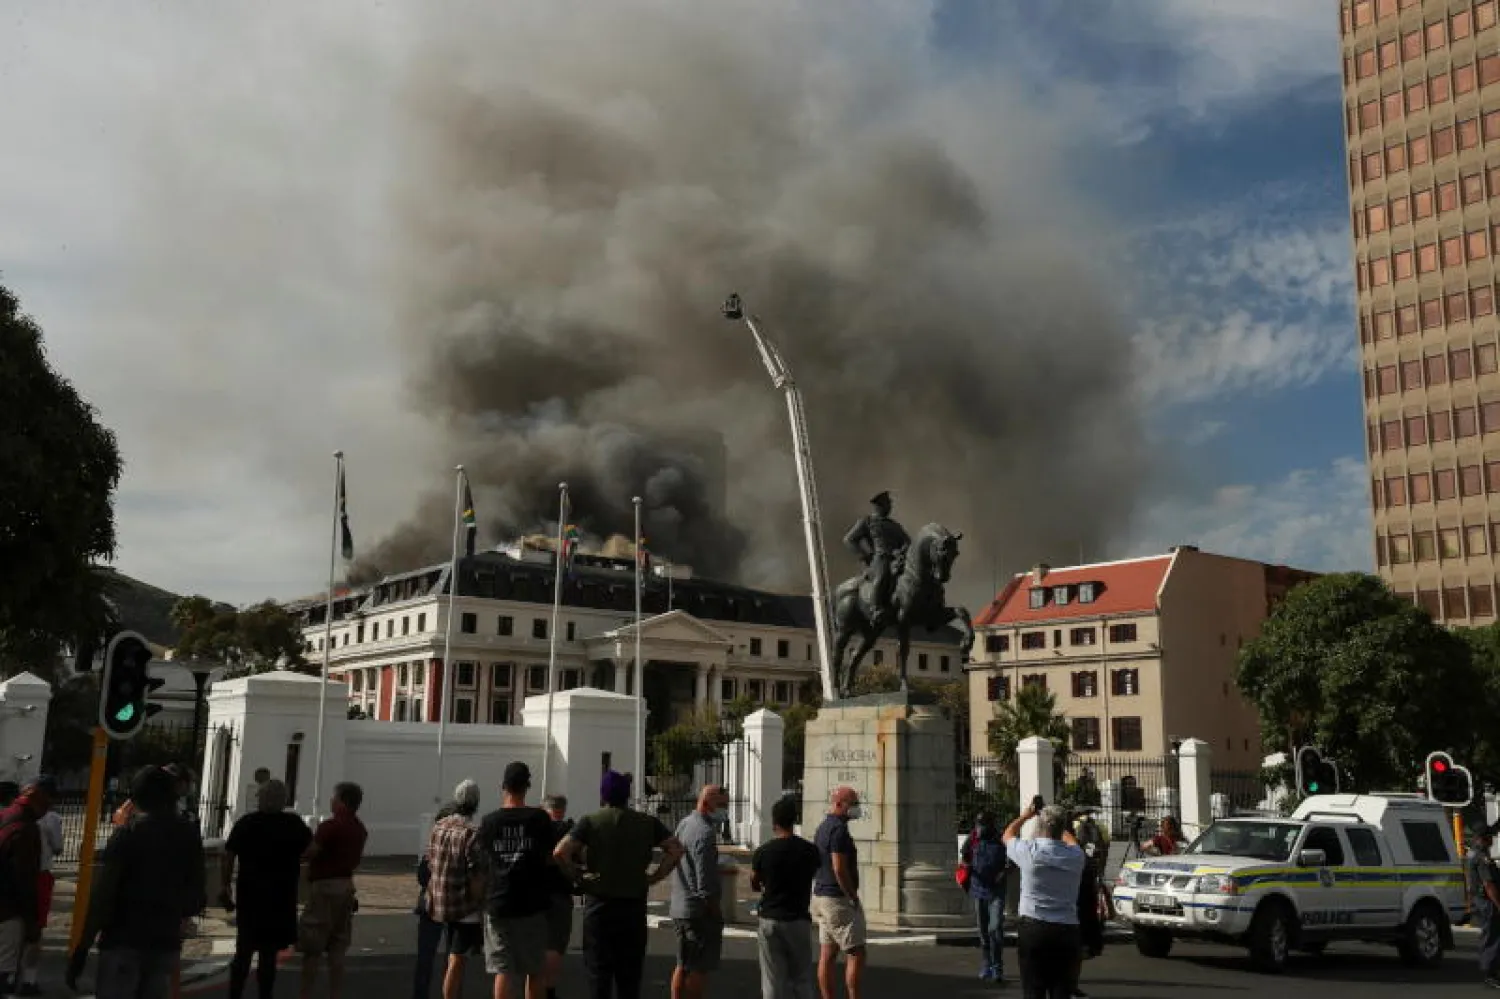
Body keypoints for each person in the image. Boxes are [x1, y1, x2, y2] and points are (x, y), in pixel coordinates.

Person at [67, 766, 204, 999]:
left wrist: (82, 947)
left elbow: (103, 895)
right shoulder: (189, 834)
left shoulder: (128, 834)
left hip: (123, 941)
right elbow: (197, 895)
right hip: (164, 942)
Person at [554, 770, 684, 999]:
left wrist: (578, 877)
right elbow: (675, 849)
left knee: (599, 975)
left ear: (603, 795)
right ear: (627, 795)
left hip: (599, 905)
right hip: (632, 906)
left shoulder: (590, 821)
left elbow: (561, 852)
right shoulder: (646, 822)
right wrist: (655, 876)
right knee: (629, 978)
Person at [222, 779, 314, 999]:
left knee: (243, 950)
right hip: (280, 896)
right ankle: (265, 994)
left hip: (250, 894)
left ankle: (235, 993)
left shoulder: (247, 823)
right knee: (268, 953)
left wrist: (225, 884)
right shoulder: (293, 824)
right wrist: (294, 860)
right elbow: (312, 849)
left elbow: (229, 854)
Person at [478, 762, 556, 999]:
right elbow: (549, 856)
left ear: (504, 786)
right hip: (531, 902)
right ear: (527, 786)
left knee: (504, 969)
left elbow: (484, 861)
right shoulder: (539, 818)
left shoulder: (489, 821)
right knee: (534, 969)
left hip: (499, 900)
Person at [1002, 802, 1085, 999]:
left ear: (1041, 826)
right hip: (1067, 930)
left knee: (1033, 991)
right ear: (1062, 828)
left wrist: (1026, 815)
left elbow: (1007, 835)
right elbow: (1072, 841)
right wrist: (1060, 823)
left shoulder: (1029, 851)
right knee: (1062, 992)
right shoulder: (1075, 855)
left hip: (1034, 929)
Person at [299, 781, 368, 999]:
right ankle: (335, 994)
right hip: (346, 885)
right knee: (338, 945)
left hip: (325, 886)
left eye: (334, 797)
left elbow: (310, 852)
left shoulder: (330, 826)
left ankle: (305, 994)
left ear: (342, 802)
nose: (331, 801)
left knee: (313, 945)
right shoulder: (359, 829)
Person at [751, 796, 821, 999]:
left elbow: (754, 882)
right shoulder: (809, 850)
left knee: (772, 979)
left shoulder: (764, 852)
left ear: (774, 822)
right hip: (797, 917)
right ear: (794, 820)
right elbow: (815, 872)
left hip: (770, 916)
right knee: (802, 977)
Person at [427, 780, 486, 999]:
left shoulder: (438, 827)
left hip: (440, 902)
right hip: (464, 906)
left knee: (452, 955)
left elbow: (431, 861)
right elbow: (476, 876)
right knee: (457, 959)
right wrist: (480, 904)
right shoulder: (471, 833)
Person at [671, 785, 728, 999]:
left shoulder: (685, 824)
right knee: (698, 967)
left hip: (680, 905)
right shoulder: (704, 833)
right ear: (707, 803)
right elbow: (705, 883)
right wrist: (715, 911)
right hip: (698, 911)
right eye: (721, 805)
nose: (724, 810)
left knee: (682, 963)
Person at [811, 786, 865, 999]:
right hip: (837, 899)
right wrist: (852, 895)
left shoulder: (823, 827)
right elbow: (839, 867)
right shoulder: (839, 831)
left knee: (828, 953)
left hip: (821, 895)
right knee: (856, 952)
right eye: (853, 803)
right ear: (839, 804)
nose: (857, 808)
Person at [0, 779, 49, 994]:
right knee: (5, 971)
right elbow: (24, 879)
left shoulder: (5, 818)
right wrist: (32, 922)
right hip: (9, 910)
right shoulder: (26, 830)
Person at [15, 776, 62, 996]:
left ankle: (10, 972)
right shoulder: (51, 818)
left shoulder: (12, 815)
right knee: (35, 931)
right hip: (40, 876)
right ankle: (29, 980)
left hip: (15, 874)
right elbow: (59, 847)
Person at [842, 491, 910, 631]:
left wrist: (903, 551)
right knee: (883, 574)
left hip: (897, 559)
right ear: (878, 506)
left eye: (890, 504)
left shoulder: (894, 526)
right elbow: (849, 540)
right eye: (887, 504)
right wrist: (865, 556)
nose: (890, 507)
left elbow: (908, 542)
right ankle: (875, 609)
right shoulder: (867, 521)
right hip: (879, 560)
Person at [415, 800, 461, 999]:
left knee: (426, 956)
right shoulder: (461, 844)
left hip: (431, 903)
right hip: (452, 904)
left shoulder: (433, 846)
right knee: (453, 957)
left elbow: (422, 876)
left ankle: (420, 994)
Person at [961, 808, 1007, 983]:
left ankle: (998, 967)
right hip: (978, 889)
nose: (980, 828)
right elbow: (965, 856)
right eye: (978, 824)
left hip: (996, 891)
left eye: (983, 824)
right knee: (983, 930)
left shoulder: (1002, 839)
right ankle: (986, 963)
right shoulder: (973, 838)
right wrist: (967, 868)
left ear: (991, 824)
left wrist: (1003, 872)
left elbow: (1012, 861)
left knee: (995, 927)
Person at [542, 794, 575, 999]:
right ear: (562, 809)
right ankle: (549, 991)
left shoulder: (537, 830)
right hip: (561, 893)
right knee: (555, 947)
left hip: (537, 895)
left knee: (536, 946)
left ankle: (534, 988)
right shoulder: (568, 831)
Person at [1470, 822, 1500, 988]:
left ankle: (1492, 971)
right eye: (1490, 837)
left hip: (1483, 901)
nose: (1493, 840)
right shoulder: (1481, 857)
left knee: (1493, 935)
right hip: (1487, 902)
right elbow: (1489, 884)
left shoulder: (1477, 853)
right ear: (1483, 838)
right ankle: (1490, 974)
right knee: (1492, 937)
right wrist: (1499, 904)